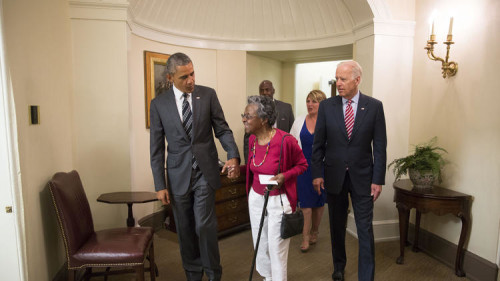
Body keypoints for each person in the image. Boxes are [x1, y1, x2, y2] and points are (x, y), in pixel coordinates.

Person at [149, 52, 240, 281]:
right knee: (185, 230)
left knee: (204, 226)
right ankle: (192, 274)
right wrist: (160, 185)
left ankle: (212, 274)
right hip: (178, 176)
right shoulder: (159, 104)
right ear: (170, 77)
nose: (191, 80)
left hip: (204, 173)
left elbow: (222, 129)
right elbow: (157, 149)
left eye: (192, 73)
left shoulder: (207, 95)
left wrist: (232, 154)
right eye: (184, 77)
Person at [311, 61, 387, 281]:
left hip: (364, 177)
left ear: (357, 80)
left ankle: (366, 276)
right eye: (337, 78)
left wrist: (378, 179)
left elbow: (380, 146)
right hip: (334, 176)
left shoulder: (374, 106)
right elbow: (319, 144)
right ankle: (338, 267)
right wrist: (317, 173)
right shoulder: (327, 106)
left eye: (343, 79)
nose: (339, 83)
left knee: (364, 229)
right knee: (336, 226)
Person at [242, 95, 307, 281]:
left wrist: (285, 176)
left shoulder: (286, 140)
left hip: (278, 200)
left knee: (276, 248)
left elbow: (302, 165)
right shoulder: (252, 140)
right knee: (260, 244)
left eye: (248, 116)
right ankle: (267, 277)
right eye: (244, 115)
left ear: (263, 120)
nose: (244, 119)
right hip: (256, 197)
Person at [290, 89, 327, 253]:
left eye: (314, 101)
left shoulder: (327, 122)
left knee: (319, 203)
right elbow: (291, 142)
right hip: (303, 167)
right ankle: (305, 236)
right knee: (305, 204)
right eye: (308, 101)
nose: (310, 104)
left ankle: (315, 231)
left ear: (322, 104)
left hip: (322, 167)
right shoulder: (299, 121)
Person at [243, 80, 295, 163]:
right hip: (259, 154)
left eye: (267, 90)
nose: (264, 92)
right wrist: (248, 163)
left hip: (281, 155)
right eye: (262, 90)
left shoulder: (286, 108)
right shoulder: (253, 109)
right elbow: (247, 140)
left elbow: (292, 133)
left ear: (273, 91)